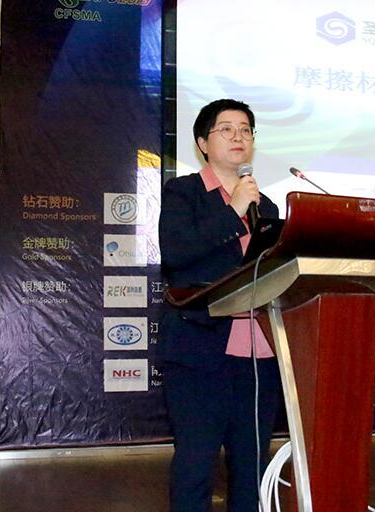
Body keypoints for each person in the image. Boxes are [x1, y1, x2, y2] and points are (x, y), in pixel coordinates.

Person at [158, 99, 281, 512]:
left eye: (245, 130)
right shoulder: (184, 193)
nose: (238, 136)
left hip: (258, 355)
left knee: (251, 466)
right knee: (196, 463)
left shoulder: (267, 207)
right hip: (199, 351)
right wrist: (233, 211)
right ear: (202, 143)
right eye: (226, 129)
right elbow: (177, 256)